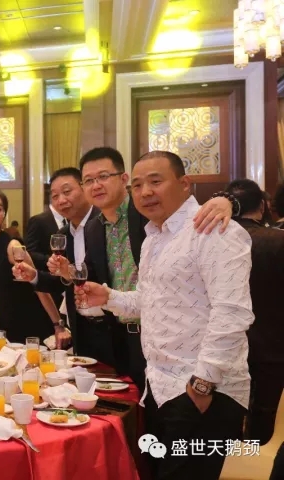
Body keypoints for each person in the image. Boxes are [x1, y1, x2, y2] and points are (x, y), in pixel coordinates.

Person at [76, 150, 253, 480]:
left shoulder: (214, 229)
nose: (145, 192)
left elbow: (232, 314)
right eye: (138, 185)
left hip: (203, 390)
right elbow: (148, 301)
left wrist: (203, 385)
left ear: (184, 184)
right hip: (159, 387)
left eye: (156, 182)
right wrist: (108, 297)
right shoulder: (153, 239)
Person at [48, 147, 235, 394]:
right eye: (89, 181)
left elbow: (190, 214)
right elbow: (95, 279)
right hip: (120, 336)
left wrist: (227, 200)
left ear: (123, 179)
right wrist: (69, 273)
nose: (96, 185)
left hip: (173, 341)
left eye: (103, 176)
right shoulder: (94, 228)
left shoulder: (148, 213)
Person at [18, 168, 103, 357]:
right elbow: (61, 283)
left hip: (110, 326)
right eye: (55, 196)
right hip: (80, 327)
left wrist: (69, 272)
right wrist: (34, 276)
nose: (61, 200)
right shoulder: (64, 234)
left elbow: (103, 275)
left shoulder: (104, 224)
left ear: (84, 187)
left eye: (66, 192)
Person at [0, 187, 64, 344]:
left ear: (4, 214)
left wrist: (58, 325)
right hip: (4, 323)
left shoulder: (13, 246)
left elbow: (39, 286)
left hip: (32, 323)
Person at [227, 179, 284, 444]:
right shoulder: (277, 241)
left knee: (226, 418)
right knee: (266, 421)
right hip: (273, 348)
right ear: (262, 206)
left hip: (224, 349)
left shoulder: (211, 242)